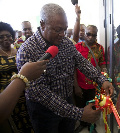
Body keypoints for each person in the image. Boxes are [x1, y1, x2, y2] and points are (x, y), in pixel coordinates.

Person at [16, 3, 114, 133]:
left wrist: (102, 80)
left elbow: (81, 62)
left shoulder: (65, 42)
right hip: (43, 111)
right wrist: (79, 113)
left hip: (67, 101)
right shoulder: (27, 51)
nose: (63, 34)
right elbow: (39, 92)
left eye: (65, 29)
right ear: (43, 24)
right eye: (58, 30)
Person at [0, 21, 34, 132]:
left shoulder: (19, 51)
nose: (5, 38)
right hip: (8, 96)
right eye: (1, 36)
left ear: (12, 36)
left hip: (24, 95)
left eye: (8, 35)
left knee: (30, 122)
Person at [74, 25, 106, 133]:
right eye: (88, 34)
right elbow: (73, 68)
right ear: (84, 33)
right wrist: (76, 86)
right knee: (81, 106)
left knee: (93, 106)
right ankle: (82, 124)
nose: (91, 37)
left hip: (94, 85)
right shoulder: (77, 47)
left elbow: (102, 63)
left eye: (94, 35)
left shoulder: (100, 48)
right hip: (80, 84)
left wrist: (104, 75)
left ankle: (92, 126)